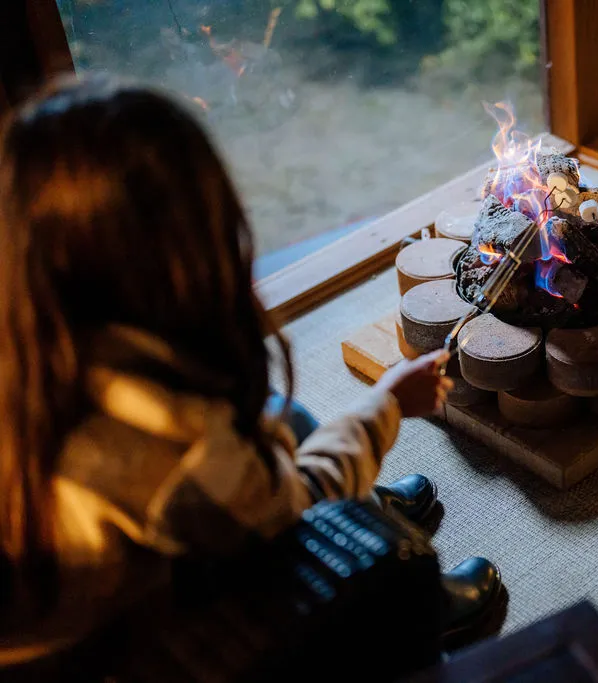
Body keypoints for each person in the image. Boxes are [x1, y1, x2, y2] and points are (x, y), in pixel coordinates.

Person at [0, 75, 502, 669]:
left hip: (97, 578)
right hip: (128, 648)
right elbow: (291, 507)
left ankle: (367, 504)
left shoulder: (35, 344)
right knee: (381, 562)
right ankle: (423, 598)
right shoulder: (172, 448)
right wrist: (386, 408)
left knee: (287, 418)